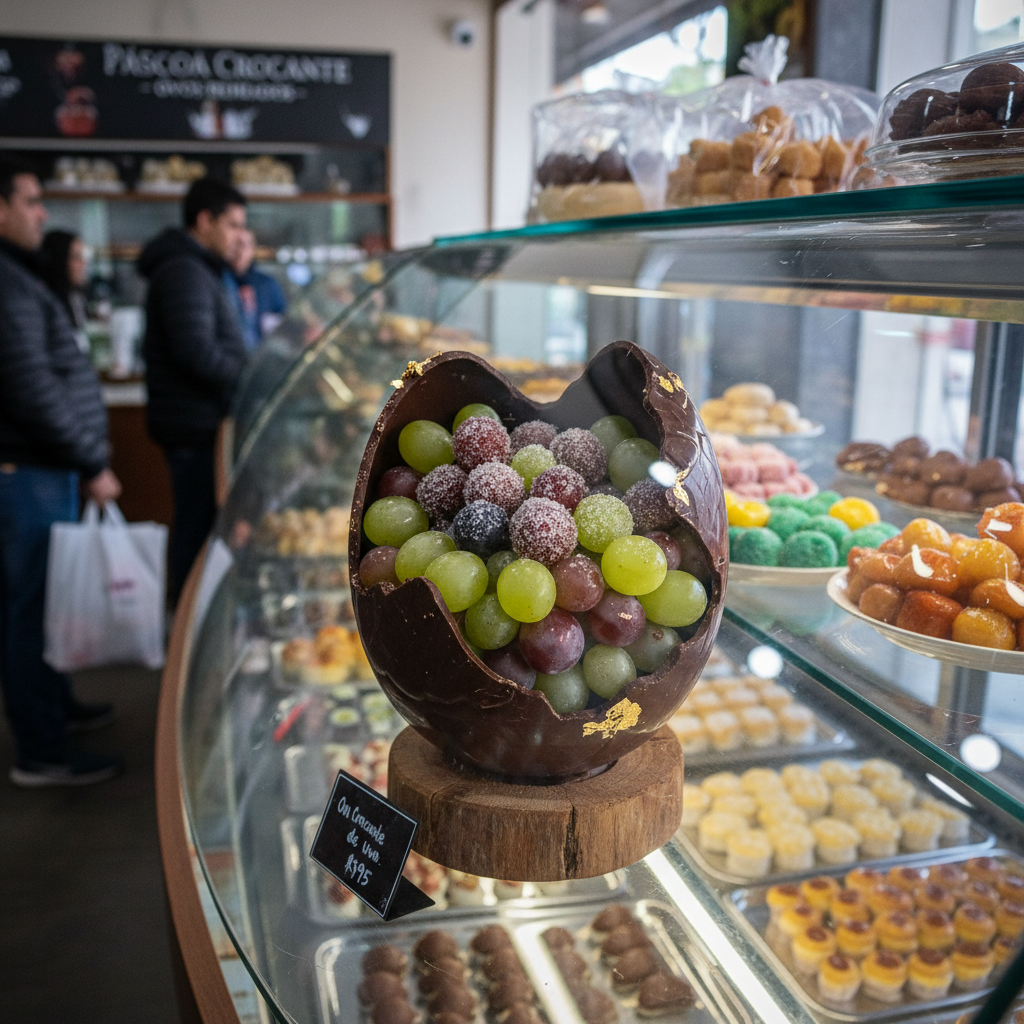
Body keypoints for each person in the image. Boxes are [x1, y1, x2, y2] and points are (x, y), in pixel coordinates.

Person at [0, 156, 123, 786]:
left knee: (46, 603)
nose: (41, 212)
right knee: (28, 611)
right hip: (29, 473)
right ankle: (41, 749)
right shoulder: (8, 285)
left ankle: (56, 708)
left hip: (44, 470)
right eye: (29, 200)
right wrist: (91, 461)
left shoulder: (20, 277)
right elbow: (32, 389)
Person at [138, 178, 249, 606]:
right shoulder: (184, 271)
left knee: (201, 531)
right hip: (195, 426)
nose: (240, 236)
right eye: (233, 225)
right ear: (204, 221)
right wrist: (248, 377)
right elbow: (195, 351)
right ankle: (188, 623)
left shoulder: (198, 268)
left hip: (199, 424)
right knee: (198, 536)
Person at [225, 229, 286, 351]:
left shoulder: (267, 283)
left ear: (253, 249)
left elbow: (283, 320)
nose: (240, 252)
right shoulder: (217, 280)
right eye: (236, 245)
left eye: (246, 245)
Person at [40, 229, 90, 353]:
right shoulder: (45, 303)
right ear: (59, 261)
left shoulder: (77, 297)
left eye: (82, 257)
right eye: (76, 257)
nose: (83, 264)